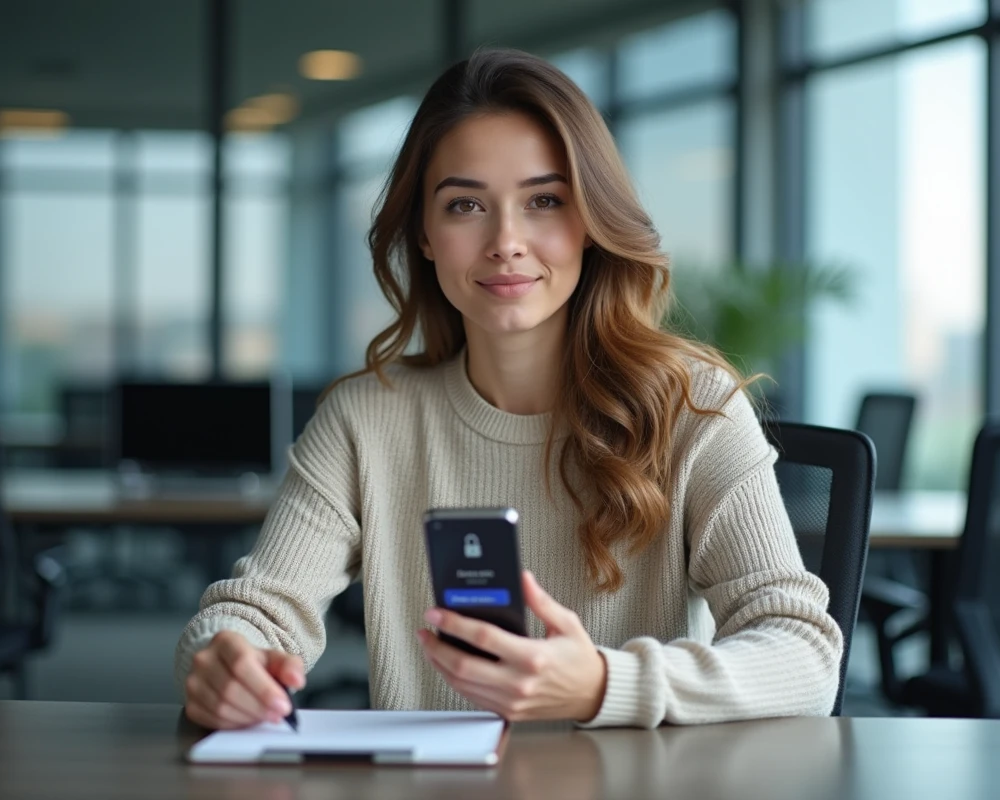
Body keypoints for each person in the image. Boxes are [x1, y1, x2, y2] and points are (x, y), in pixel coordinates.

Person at [175, 48, 842, 730]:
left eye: (544, 201)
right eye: (465, 205)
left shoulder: (693, 409)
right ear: (426, 235)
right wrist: (225, 658)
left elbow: (804, 653)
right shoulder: (366, 418)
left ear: (590, 223)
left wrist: (607, 684)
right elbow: (256, 610)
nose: (506, 241)